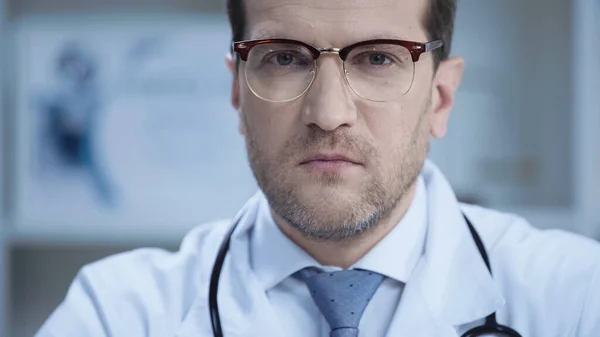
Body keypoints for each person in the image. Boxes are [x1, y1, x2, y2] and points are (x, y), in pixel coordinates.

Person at [36, 0, 600, 335]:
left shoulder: (576, 300)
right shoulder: (118, 315)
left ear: (441, 97)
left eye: (378, 58)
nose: (329, 114)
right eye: (284, 57)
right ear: (237, 90)